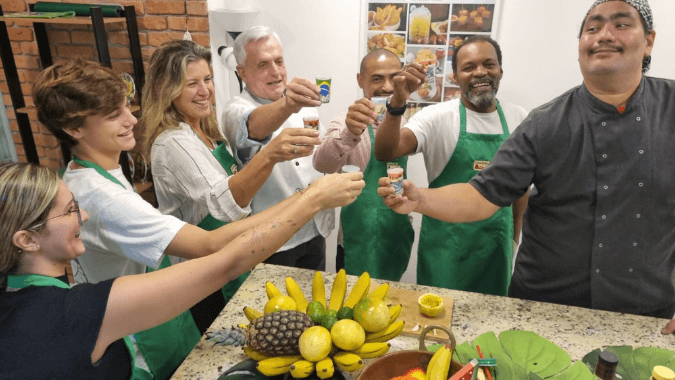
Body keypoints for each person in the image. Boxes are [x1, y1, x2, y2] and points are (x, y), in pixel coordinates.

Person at [31, 59, 363, 379]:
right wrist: (310, 198)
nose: (131, 119)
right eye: (112, 116)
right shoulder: (102, 195)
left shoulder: (103, 174)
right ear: (73, 128)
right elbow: (210, 243)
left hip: (155, 313)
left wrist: (307, 197)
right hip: (136, 339)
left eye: (125, 107)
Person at [378, 0, 675, 332]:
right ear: (579, 49)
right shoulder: (544, 123)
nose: (604, 35)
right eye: (592, 28)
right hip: (547, 308)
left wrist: (514, 237)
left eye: (621, 24)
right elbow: (482, 194)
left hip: (646, 311)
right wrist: (420, 199)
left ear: (649, 40)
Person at [0, 162, 362, 379]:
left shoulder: (18, 296)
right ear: (26, 240)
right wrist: (312, 199)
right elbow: (225, 262)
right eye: (70, 211)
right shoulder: (72, 313)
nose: (86, 217)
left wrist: (309, 195)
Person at [140, 40, 321, 333]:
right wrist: (271, 154)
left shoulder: (206, 131)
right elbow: (223, 206)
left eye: (208, 80)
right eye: (191, 84)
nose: (205, 91)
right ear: (166, 89)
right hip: (201, 274)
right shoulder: (173, 142)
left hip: (229, 260)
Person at [374, 36, 529, 295]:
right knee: (439, 326)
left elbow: (521, 188)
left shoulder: (520, 118)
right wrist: (397, 104)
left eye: (488, 64)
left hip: (495, 246)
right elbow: (386, 151)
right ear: (455, 76)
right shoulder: (437, 117)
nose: (480, 72)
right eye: (469, 67)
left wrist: (515, 237)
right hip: (445, 248)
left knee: (491, 327)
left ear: (500, 70)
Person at [222, 26, 332, 271]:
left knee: (314, 303)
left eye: (279, 61)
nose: (275, 72)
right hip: (272, 241)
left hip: (315, 228)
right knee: (276, 308)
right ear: (242, 72)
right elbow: (253, 126)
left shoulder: (303, 103)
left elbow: (322, 154)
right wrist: (288, 104)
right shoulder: (235, 109)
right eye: (262, 65)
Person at [313, 49, 414, 281]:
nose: (387, 87)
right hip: (355, 239)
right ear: (361, 80)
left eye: (394, 77)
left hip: (395, 234)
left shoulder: (406, 123)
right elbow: (322, 163)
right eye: (377, 78)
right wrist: (351, 131)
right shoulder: (344, 121)